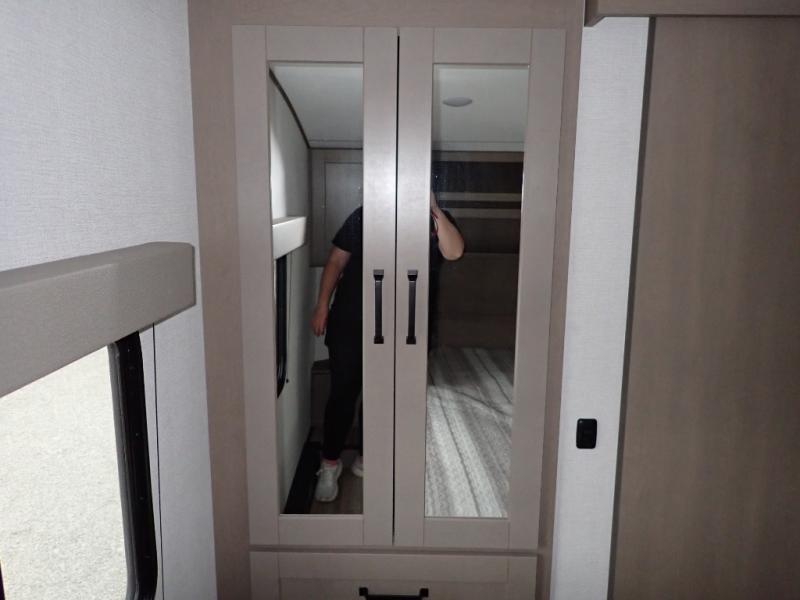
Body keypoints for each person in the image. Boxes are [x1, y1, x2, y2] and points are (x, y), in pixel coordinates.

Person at [310, 191, 464, 502]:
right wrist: (322, 305)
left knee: (382, 395)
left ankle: (369, 457)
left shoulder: (434, 221)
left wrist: (433, 208)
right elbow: (336, 260)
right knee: (342, 393)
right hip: (352, 319)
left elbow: (454, 252)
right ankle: (329, 463)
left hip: (403, 328)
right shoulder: (366, 215)